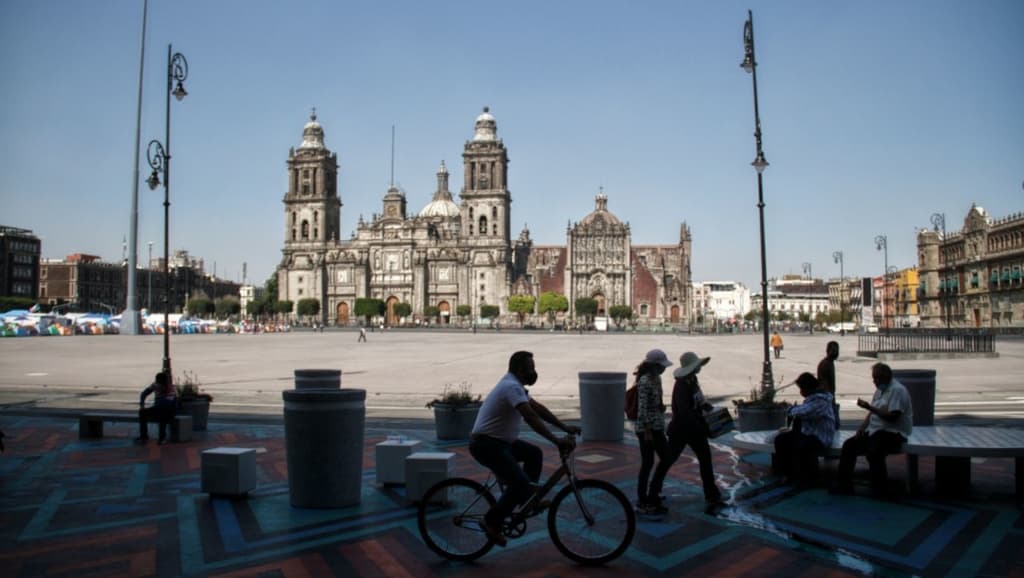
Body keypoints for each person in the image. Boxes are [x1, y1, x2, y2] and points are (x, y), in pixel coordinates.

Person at [469, 351, 580, 547]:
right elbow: (531, 417)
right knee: (519, 483)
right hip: (486, 445)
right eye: (531, 368)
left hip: (501, 442)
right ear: (520, 370)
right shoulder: (511, 387)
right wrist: (556, 440)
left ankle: (528, 501)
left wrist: (563, 427)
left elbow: (538, 409)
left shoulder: (515, 386)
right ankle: (490, 521)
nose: (534, 372)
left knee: (534, 454)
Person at [832, 363, 913, 499]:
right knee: (849, 445)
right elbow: (872, 414)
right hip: (875, 431)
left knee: (874, 450)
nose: (874, 381)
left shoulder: (897, 390)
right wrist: (862, 428)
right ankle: (843, 484)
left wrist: (869, 407)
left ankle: (880, 487)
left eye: (876, 378)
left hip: (893, 432)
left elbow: (892, 416)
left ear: (885, 377)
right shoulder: (880, 391)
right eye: (874, 378)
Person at [665, 351, 723, 506]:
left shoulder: (692, 380)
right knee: (669, 459)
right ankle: (653, 490)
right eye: (697, 365)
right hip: (682, 430)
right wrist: (698, 424)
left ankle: (711, 493)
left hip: (694, 429)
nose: (699, 368)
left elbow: (699, 400)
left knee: (705, 459)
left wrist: (706, 406)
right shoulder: (682, 385)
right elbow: (684, 411)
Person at [773, 373, 835, 486]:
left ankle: (809, 477)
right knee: (781, 439)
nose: (800, 392)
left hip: (820, 437)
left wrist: (790, 409)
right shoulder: (813, 398)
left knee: (802, 444)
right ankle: (787, 473)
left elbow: (804, 412)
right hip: (808, 434)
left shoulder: (821, 400)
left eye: (801, 388)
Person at [631, 349, 674, 514]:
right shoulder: (645, 381)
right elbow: (642, 409)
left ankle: (652, 493)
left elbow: (656, 401)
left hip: (657, 426)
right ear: (654, 366)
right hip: (647, 429)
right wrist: (647, 432)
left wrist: (661, 407)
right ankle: (644, 499)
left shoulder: (657, 379)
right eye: (661, 366)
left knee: (664, 459)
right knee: (649, 463)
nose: (664, 369)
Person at [135, 371, 177, 445]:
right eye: (157, 382)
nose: (158, 385)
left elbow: (168, 403)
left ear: (164, 382)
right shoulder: (155, 385)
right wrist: (142, 405)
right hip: (158, 408)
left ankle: (162, 438)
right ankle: (144, 436)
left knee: (163, 413)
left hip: (168, 411)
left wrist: (160, 397)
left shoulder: (171, 388)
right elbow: (144, 393)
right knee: (142, 412)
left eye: (159, 383)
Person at [817, 341, 841, 428]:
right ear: (828, 351)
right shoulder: (826, 364)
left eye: (837, 351)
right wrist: (829, 398)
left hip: (829, 395)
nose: (835, 353)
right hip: (827, 396)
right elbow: (824, 384)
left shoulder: (829, 363)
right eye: (833, 350)